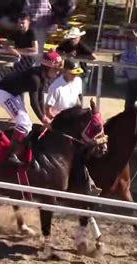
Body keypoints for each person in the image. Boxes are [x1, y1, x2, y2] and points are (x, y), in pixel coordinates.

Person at [45, 58, 102, 196]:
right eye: (73, 72)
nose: (76, 75)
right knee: (77, 153)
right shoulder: (55, 87)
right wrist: (59, 117)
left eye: (77, 72)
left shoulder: (78, 81)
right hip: (62, 126)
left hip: (76, 124)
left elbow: (79, 99)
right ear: (64, 71)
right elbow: (48, 109)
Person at [0, 51, 62, 167]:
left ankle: (18, 148)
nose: (58, 73)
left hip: (13, 94)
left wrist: (44, 117)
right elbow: (33, 102)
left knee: (27, 125)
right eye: (56, 69)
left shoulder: (43, 76)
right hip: (4, 92)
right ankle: (11, 154)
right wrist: (43, 118)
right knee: (24, 123)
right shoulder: (35, 78)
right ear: (47, 67)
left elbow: (40, 99)